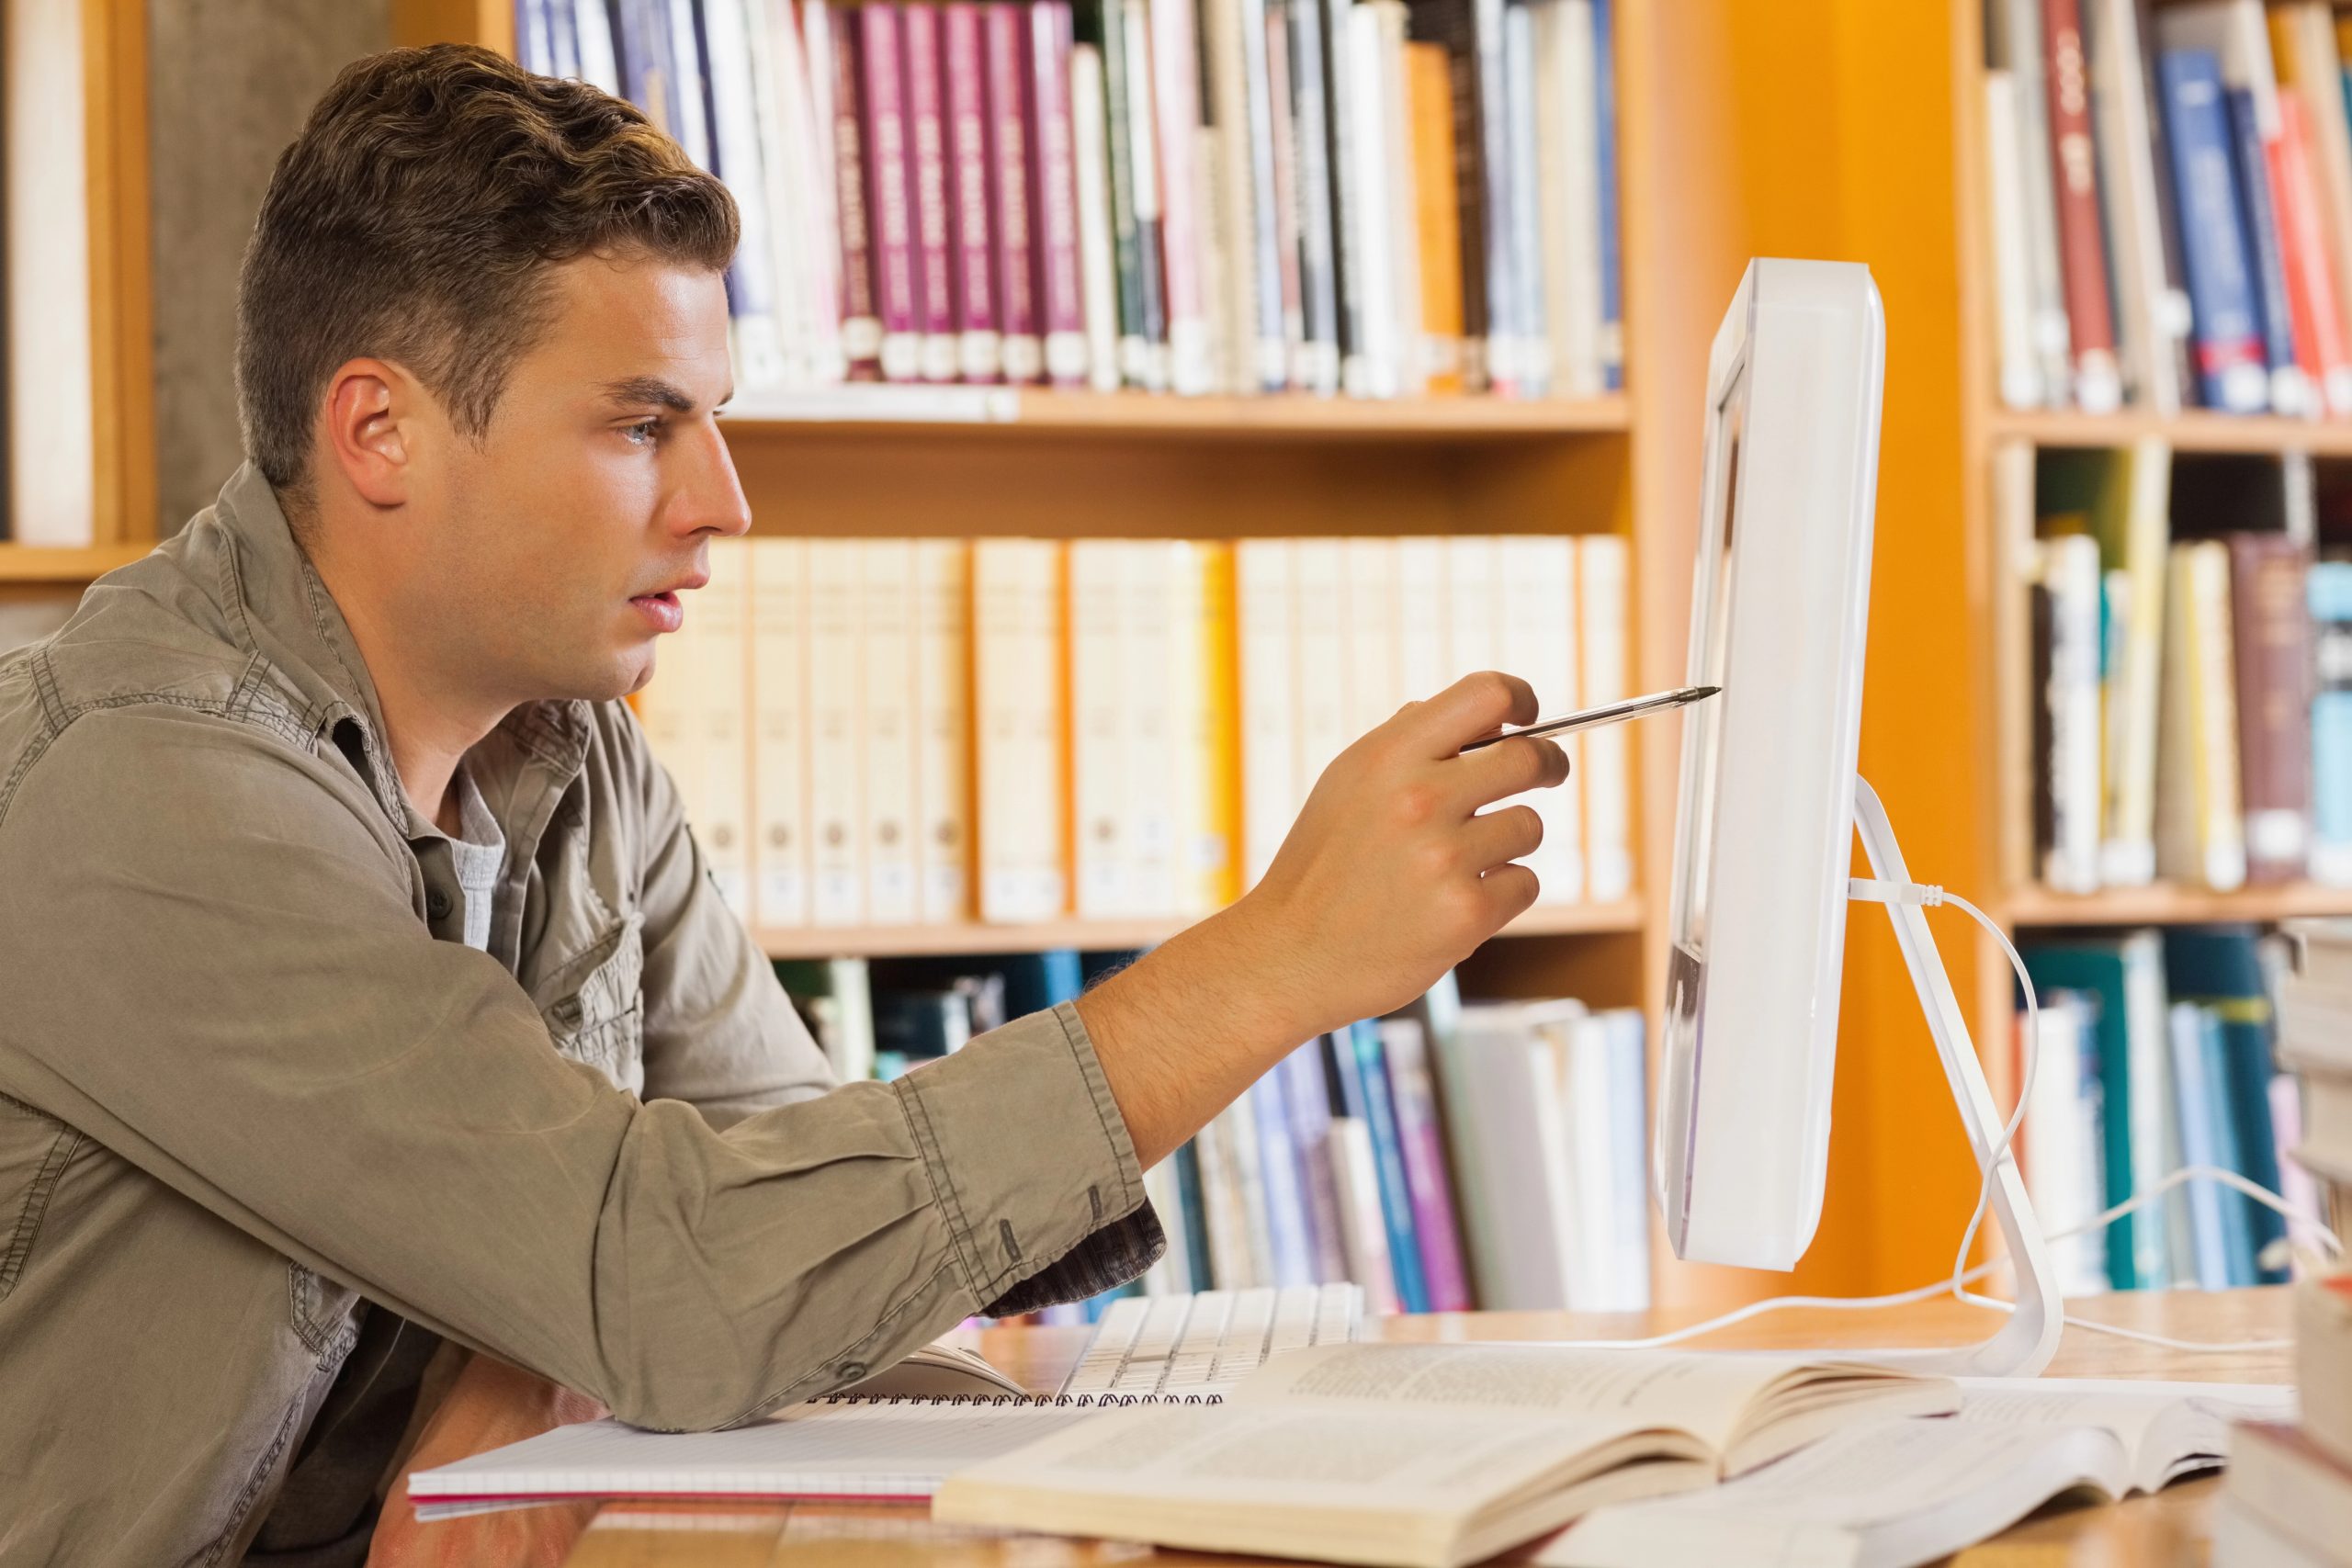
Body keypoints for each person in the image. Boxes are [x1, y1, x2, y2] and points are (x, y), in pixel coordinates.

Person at [0, 44, 1567, 1568]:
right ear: (380, 431)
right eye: (640, 425)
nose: (724, 502)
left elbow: (781, 1227)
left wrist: (536, 1359)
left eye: (713, 416)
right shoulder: (144, 791)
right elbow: (681, 1276)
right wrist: (1276, 962)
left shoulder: (573, 752)